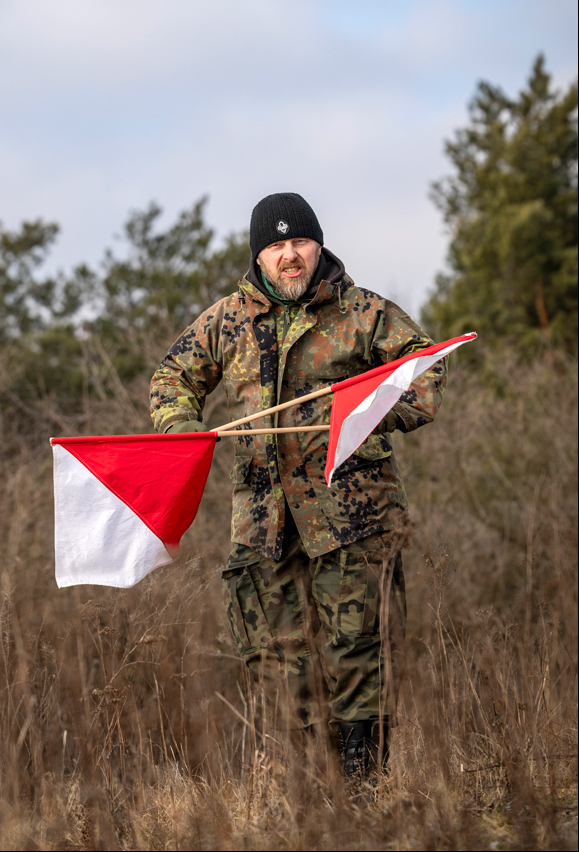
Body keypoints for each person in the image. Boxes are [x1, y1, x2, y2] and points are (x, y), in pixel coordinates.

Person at [149, 191, 448, 782]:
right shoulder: (226, 320)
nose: (290, 255)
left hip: (353, 514)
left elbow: (426, 363)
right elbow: (172, 377)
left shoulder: (363, 311)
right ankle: (309, 786)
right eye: (277, 245)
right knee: (274, 657)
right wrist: (182, 429)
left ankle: (364, 784)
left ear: (318, 246)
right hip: (263, 521)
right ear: (259, 256)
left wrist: (382, 409)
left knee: (359, 646)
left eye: (301, 242)